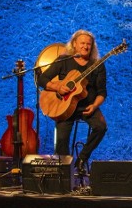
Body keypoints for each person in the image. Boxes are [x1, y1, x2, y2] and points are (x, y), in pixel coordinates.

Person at [38, 30, 108, 175]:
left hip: (86, 106)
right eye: (82, 43)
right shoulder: (64, 60)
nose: (85, 46)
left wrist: (94, 106)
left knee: (101, 127)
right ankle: (64, 174)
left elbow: (102, 93)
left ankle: (82, 159)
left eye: (89, 44)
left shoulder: (97, 65)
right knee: (62, 140)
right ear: (74, 44)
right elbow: (42, 80)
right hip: (64, 107)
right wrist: (57, 87)